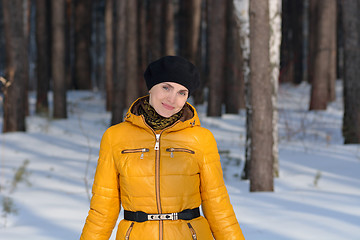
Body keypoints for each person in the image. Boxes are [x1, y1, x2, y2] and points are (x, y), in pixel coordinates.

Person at [80, 56, 245, 240]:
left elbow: (217, 204)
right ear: (151, 87)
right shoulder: (115, 137)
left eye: (182, 93)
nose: (172, 99)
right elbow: (102, 209)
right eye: (166, 87)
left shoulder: (201, 139)